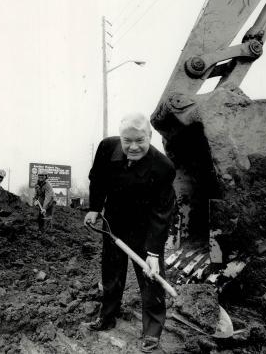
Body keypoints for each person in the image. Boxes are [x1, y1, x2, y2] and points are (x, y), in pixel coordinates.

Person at [84, 113, 176, 353]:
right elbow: (98, 178)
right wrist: (95, 208)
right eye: (128, 141)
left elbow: (162, 212)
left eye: (140, 141)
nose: (133, 147)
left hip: (145, 229)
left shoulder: (163, 167)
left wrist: (154, 252)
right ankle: (108, 315)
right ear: (121, 137)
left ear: (150, 136)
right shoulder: (107, 147)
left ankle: (152, 332)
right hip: (114, 221)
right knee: (111, 271)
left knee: (150, 277)